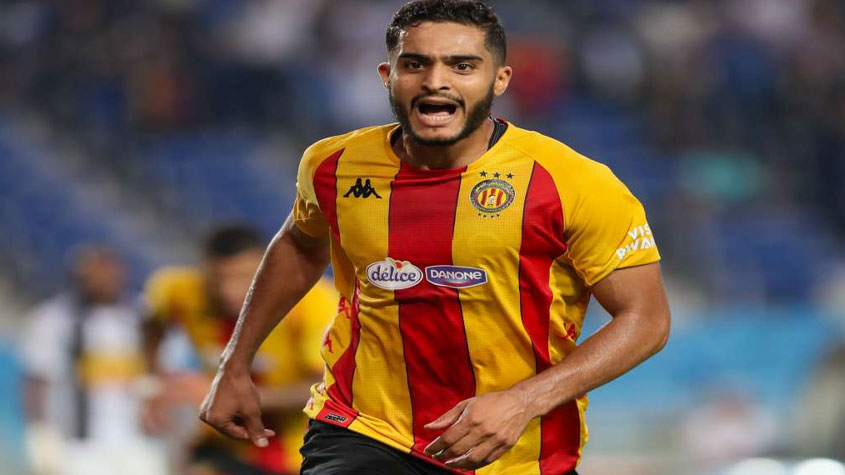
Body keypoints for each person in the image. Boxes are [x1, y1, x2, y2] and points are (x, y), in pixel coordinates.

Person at [199, 1, 672, 474]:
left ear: (500, 79)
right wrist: (235, 365)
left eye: (462, 65)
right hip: (364, 429)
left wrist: (524, 400)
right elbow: (300, 244)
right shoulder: (333, 165)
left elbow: (647, 319)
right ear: (387, 75)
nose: (435, 81)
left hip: (520, 452)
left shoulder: (573, 182)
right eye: (415, 64)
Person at [142, 224, 337, 475]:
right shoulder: (178, 291)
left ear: (267, 269)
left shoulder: (312, 302)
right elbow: (150, 325)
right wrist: (153, 383)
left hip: (293, 454)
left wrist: (225, 395)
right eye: (219, 279)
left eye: (243, 277)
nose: (228, 291)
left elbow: (324, 387)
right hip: (220, 448)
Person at [21, 245, 162, 475]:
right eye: (94, 274)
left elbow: (160, 370)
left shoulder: (143, 315)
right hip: (80, 445)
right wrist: (40, 431)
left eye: (108, 273)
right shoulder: (55, 319)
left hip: (137, 442)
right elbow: (37, 379)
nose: (103, 281)